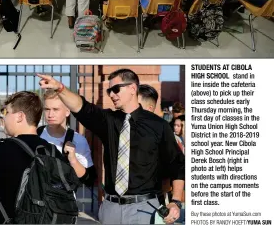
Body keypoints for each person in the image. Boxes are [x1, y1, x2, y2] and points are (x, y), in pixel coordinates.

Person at [38, 69, 185, 225]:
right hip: (111, 209)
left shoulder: (158, 125)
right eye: (109, 91)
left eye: (116, 89)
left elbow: (176, 164)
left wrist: (175, 201)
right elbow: (82, 107)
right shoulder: (108, 120)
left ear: (133, 89)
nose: (111, 94)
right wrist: (60, 88)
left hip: (145, 208)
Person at [0, 91, 72, 224]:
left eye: (6, 112)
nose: (3, 117)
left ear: (20, 116)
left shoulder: (1, 148)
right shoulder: (52, 151)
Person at [39, 89, 97, 187]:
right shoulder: (36, 134)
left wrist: (73, 160)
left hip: (64, 200)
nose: (50, 114)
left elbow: (89, 180)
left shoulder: (78, 140)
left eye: (56, 109)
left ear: (67, 112)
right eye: (47, 109)